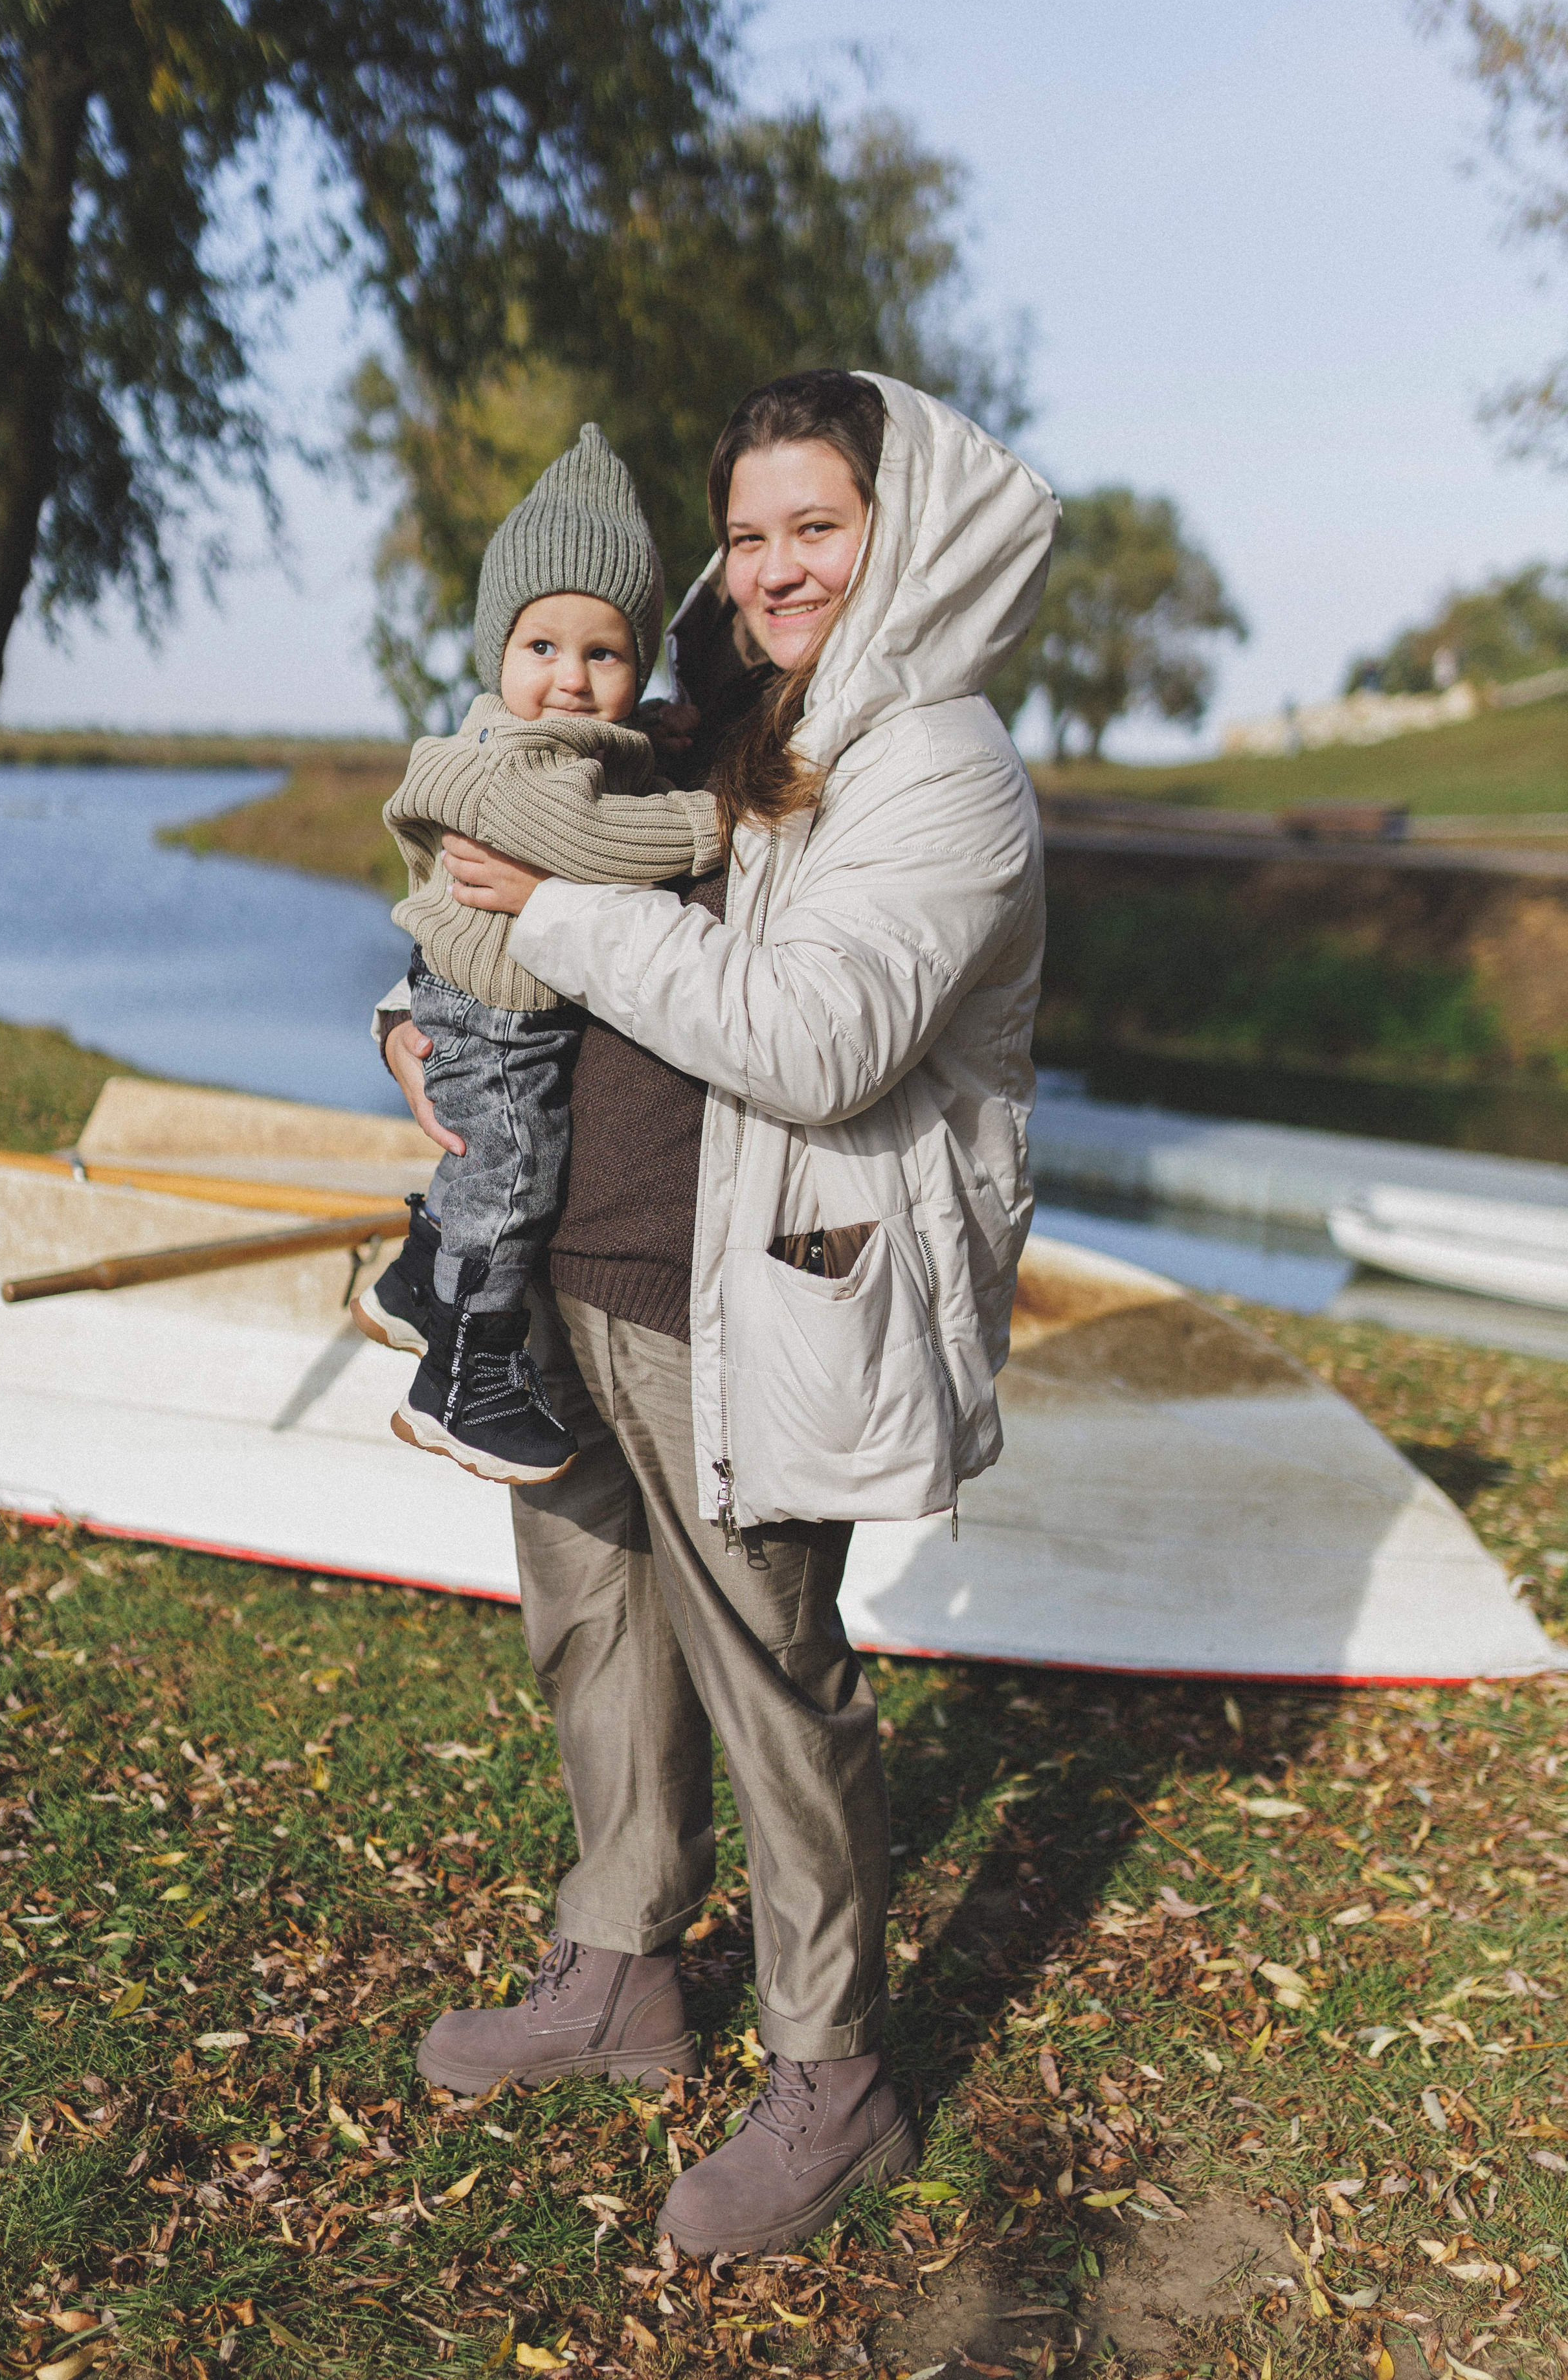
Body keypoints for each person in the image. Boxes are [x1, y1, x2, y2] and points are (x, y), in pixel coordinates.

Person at [379, 369, 1058, 2258]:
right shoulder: (723, 716)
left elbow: (822, 1038)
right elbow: (501, 896)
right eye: (747, 533)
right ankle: (618, 1968)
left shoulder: (942, 766)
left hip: (746, 1295)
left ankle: (836, 2083)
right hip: (576, 1265)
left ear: (894, 526)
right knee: (592, 1632)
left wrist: (555, 907)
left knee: (773, 1678)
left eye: (813, 527)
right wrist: (417, 1020)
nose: (773, 567)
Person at [357, 423, 721, 1486]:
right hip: (497, 1017)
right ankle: (465, 1385)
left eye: (604, 654)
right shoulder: (512, 766)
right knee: (511, 1179)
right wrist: (711, 822)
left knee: (488, 1174)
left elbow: (603, 774)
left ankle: (417, 1284)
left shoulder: (544, 741)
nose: (571, 680)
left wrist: (655, 735)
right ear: (496, 655)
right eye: (543, 649)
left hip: (479, 998)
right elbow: (591, 838)